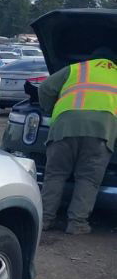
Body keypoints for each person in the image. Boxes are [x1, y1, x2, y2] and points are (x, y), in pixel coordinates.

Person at [38, 48, 117, 234]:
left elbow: (45, 88)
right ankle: (77, 224)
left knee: (55, 175)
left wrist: (50, 110)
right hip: (101, 132)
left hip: (64, 127)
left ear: (91, 59)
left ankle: (44, 220)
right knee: (88, 179)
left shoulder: (75, 69)